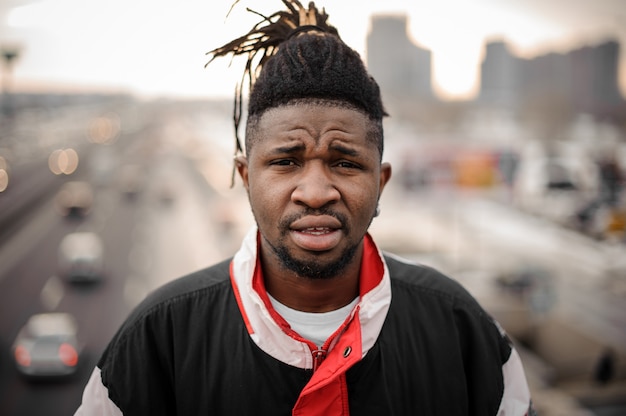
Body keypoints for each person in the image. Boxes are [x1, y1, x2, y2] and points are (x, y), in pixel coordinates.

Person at [75, 1, 535, 414]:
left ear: (382, 181)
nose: (315, 192)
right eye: (286, 161)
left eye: (345, 162)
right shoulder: (160, 337)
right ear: (246, 176)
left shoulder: (459, 329)